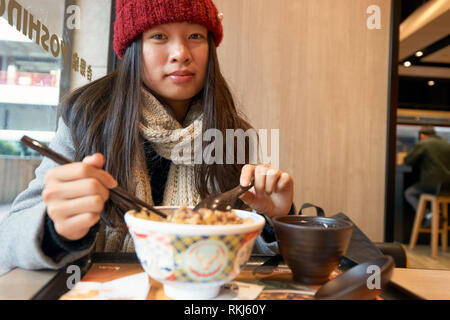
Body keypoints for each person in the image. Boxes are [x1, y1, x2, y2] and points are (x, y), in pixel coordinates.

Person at [0, 0, 294, 271]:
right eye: (159, 36)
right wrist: (56, 227)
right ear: (132, 48)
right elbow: (9, 237)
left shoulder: (232, 131)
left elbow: (240, 251)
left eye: (195, 36)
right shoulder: (89, 116)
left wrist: (275, 221)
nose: (181, 54)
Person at [403, 126, 450, 228]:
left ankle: (429, 215)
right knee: (435, 195)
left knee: (409, 193)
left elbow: (408, 160)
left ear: (422, 135)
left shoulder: (423, 143)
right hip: (447, 186)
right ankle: (437, 212)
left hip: (431, 184)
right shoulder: (447, 144)